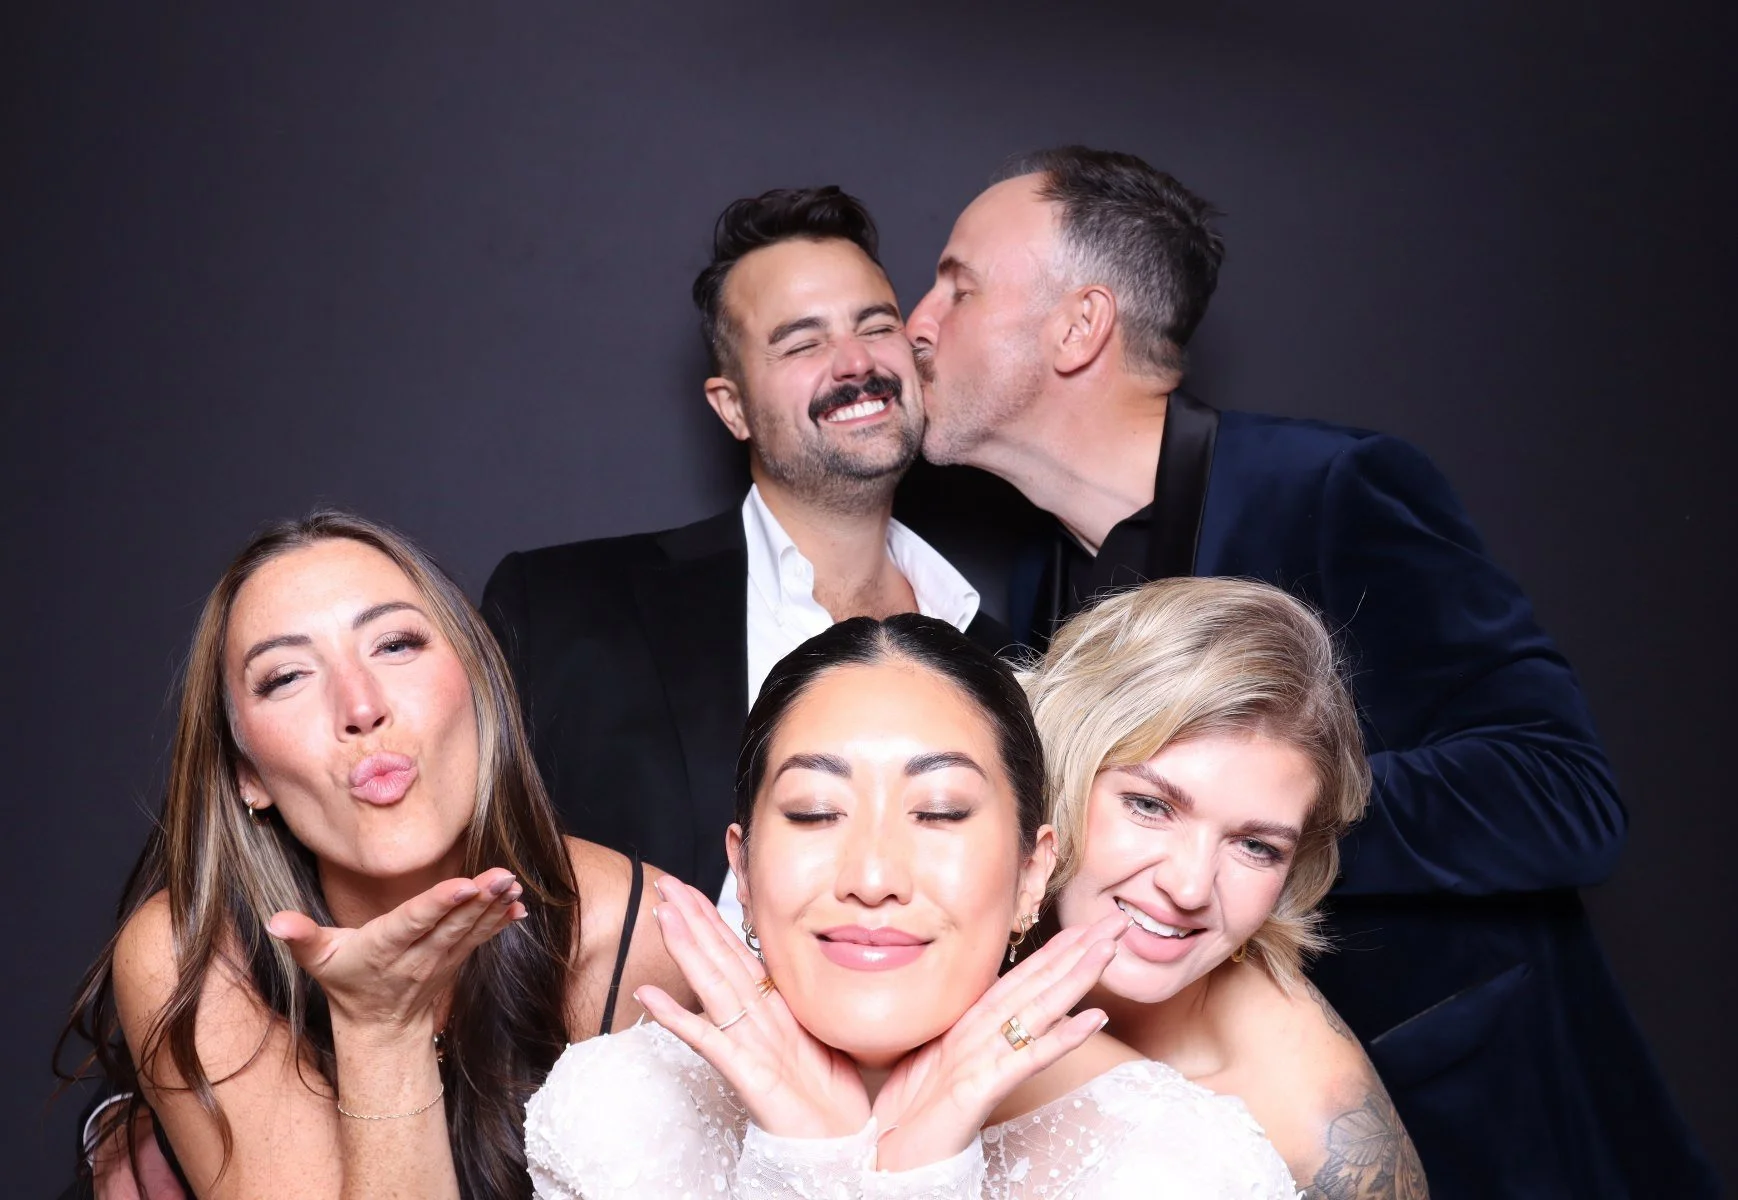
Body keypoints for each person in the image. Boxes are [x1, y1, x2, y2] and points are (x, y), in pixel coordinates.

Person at [906, 146, 1717, 1195]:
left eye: (957, 286)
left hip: (1476, 1131)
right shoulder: (1041, 579)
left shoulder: (1335, 489)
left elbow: (1564, 795)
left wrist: (1267, 822)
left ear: (1079, 326)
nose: (917, 322)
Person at [522, 615, 1298, 1198]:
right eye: (816, 812)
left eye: (940, 813)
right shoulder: (615, 1113)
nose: (872, 874)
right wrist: (809, 1162)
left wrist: (924, 1167)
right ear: (744, 871)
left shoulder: (1191, 1169)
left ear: (1033, 873)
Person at [58, 510, 687, 1199]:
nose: (359, 707)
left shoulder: (637, 933)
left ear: (479, 686)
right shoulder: (194, 953)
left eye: (394, 645)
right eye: (287, 676)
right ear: (249, 775)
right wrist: (380, 1028)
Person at [481, 186, 1007, 941]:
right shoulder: (564, 608)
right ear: (731, 408)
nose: (855, 362)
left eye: (876, 325)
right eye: (802, 342)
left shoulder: (1011, 655)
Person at [1023, 576, 1426, 1196]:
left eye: (1255, 846)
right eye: (1150, 806)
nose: (1188, 887)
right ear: (1062, 765)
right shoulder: (920, 918)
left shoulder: (1315, 1126)